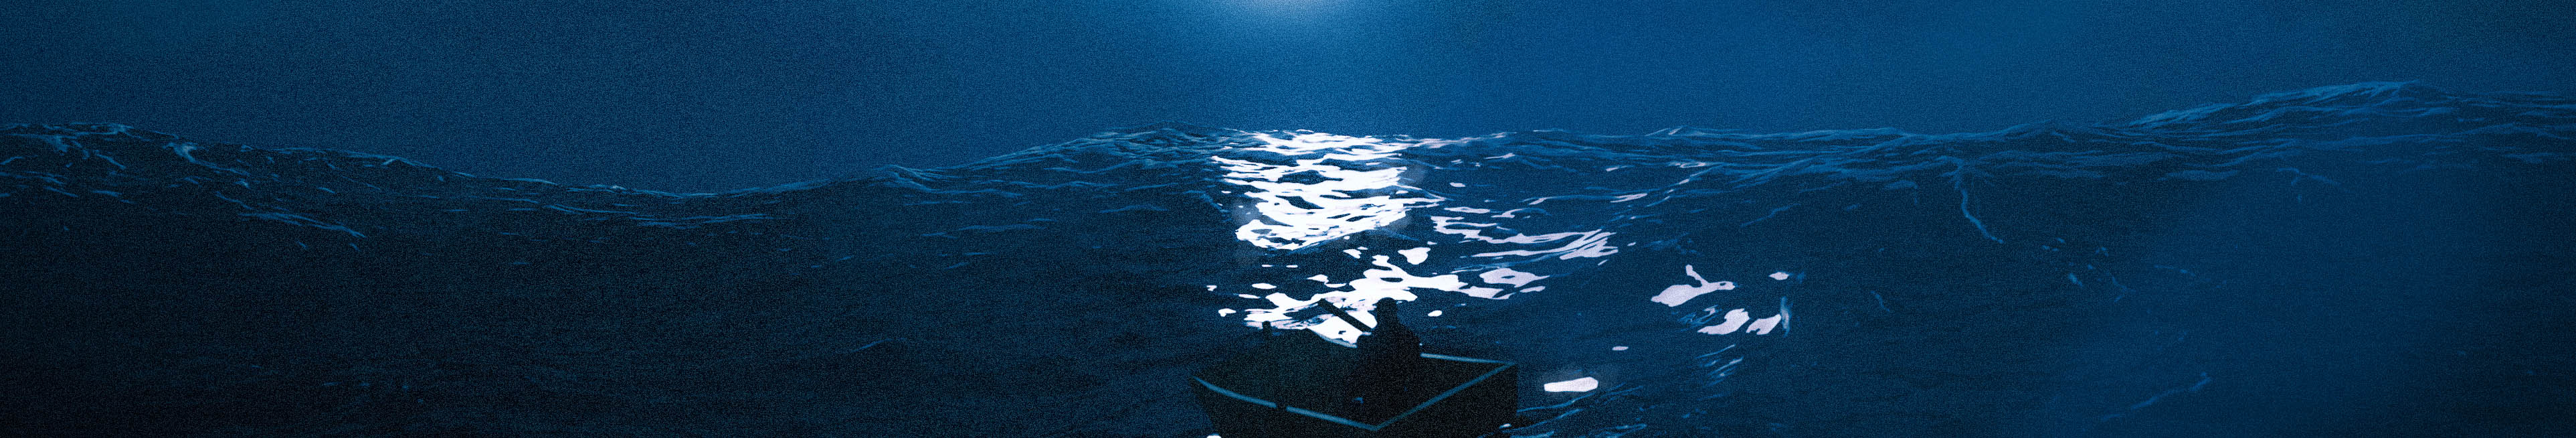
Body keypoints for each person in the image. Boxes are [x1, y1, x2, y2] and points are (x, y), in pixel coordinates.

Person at [1345, 298, 1422, 423]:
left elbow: (1364, 369)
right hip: (1399, 392)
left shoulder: (1370, 341)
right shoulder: (1409, 336)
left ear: (1379, 315)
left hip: (1379, 393)